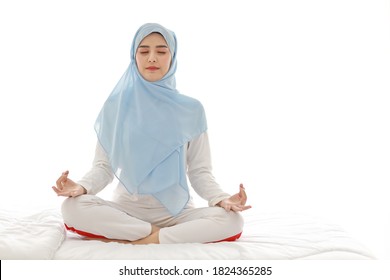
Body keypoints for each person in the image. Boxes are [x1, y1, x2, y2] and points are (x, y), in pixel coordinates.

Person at [52, 23, 251, 245]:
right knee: (72, 207)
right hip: (126, 212)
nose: (152, 58)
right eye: (144, 51)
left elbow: (199, 171)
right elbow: (104, 167)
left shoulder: (192, 110)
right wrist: (80, 187)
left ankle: (144, 237)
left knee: (232, 220)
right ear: (134, 56)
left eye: (161, 51)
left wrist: (221, 199)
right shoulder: (117, 106)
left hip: (178, 214)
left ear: (172, 56)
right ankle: (159, 235)